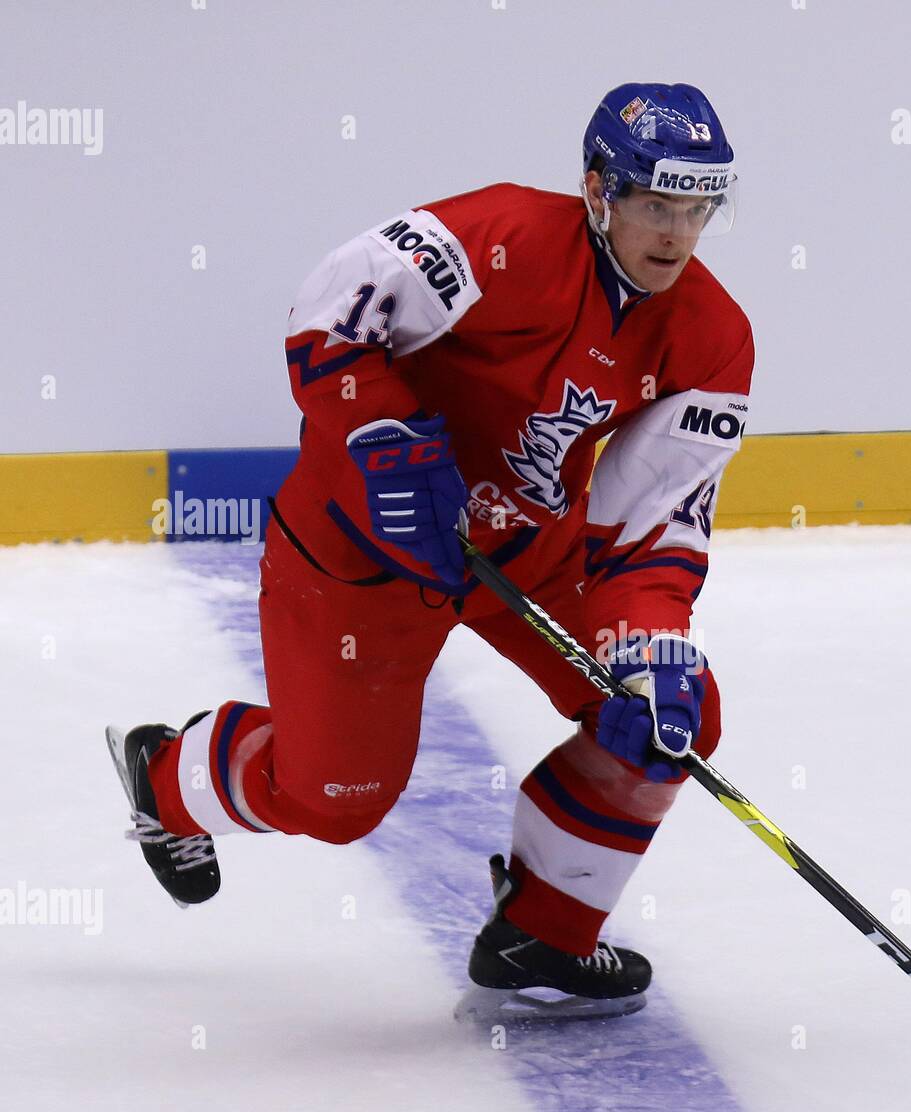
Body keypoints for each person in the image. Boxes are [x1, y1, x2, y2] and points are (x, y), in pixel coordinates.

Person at [107, 82, 754, 1012]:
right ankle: (167, 777)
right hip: (360, 553)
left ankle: (544, 937)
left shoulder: (713, 338)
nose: (676, 234)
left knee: (663, 716)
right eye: (656, 204)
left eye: (696, 210)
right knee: (334, 802)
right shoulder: (499, 237)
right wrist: (381, 436)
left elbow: (651, 523)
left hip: (528, 557)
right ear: (597, 188)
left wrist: (648, 646)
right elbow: (331, 311)